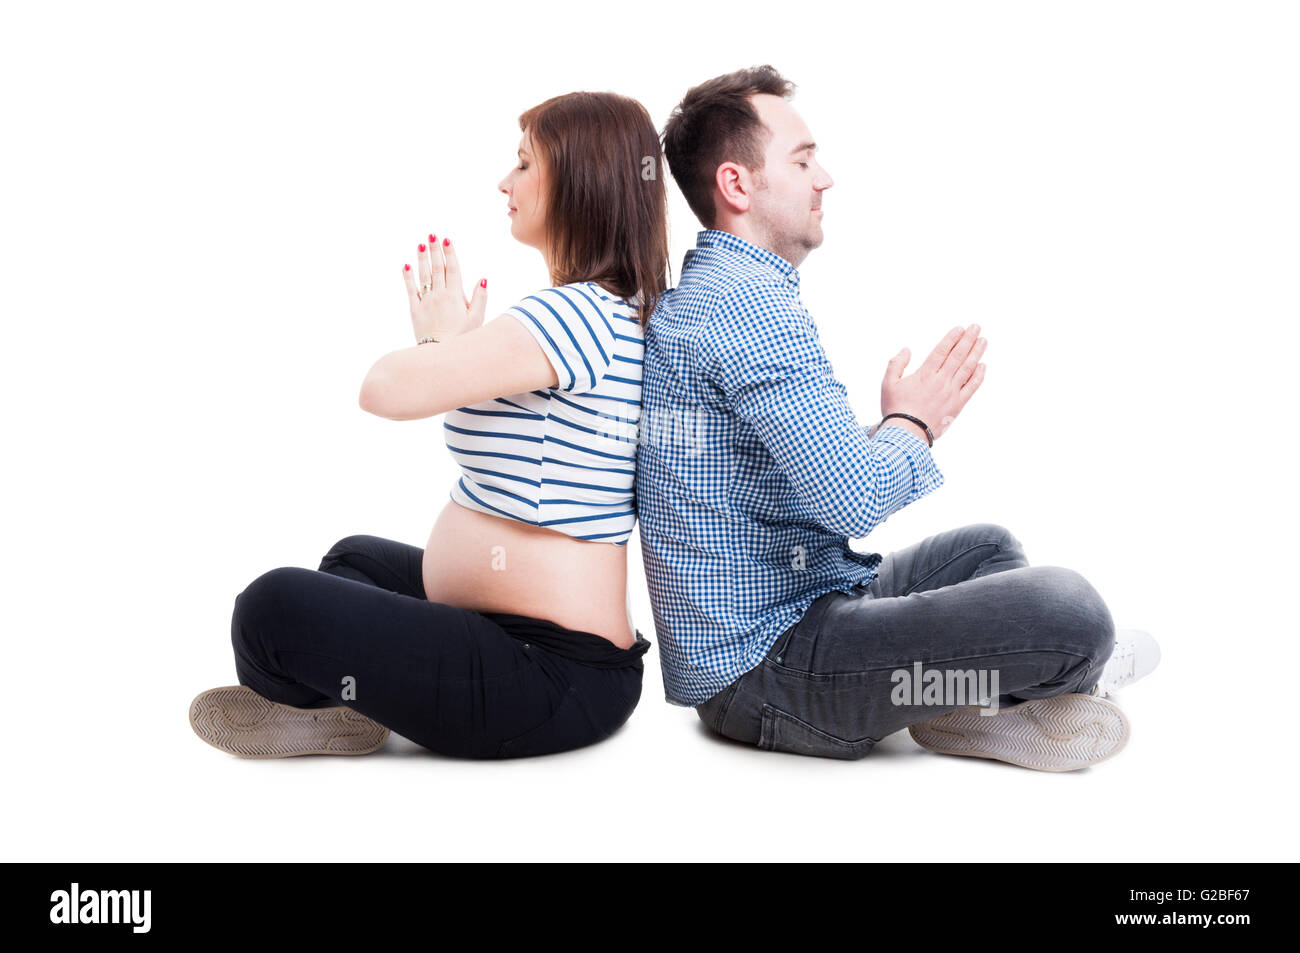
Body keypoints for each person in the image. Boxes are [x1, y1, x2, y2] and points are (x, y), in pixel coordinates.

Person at [636, 65, 1159, 771]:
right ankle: (1063, 678)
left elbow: (796, 478)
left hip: (800, 607)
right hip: (771, 671)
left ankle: (971, 713)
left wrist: (888, 430)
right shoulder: (747, 304)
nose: (825, 178)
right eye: (802, 159)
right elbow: (849, 498)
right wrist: (913, 423)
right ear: (737, 185)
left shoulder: (723, 289)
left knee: (987, 550)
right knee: (1074, 615)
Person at [190, 90, 669, 760]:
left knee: (268, 609)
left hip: (545, 674)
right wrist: (455, 353)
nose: (505, 182)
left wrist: (439, 345)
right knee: (354, 556)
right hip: (534, 650)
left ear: (580, 178)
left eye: (525, 164)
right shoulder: (607, 309)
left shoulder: (576, 315)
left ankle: (338, 698)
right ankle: (363, 700)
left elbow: (383, 390)